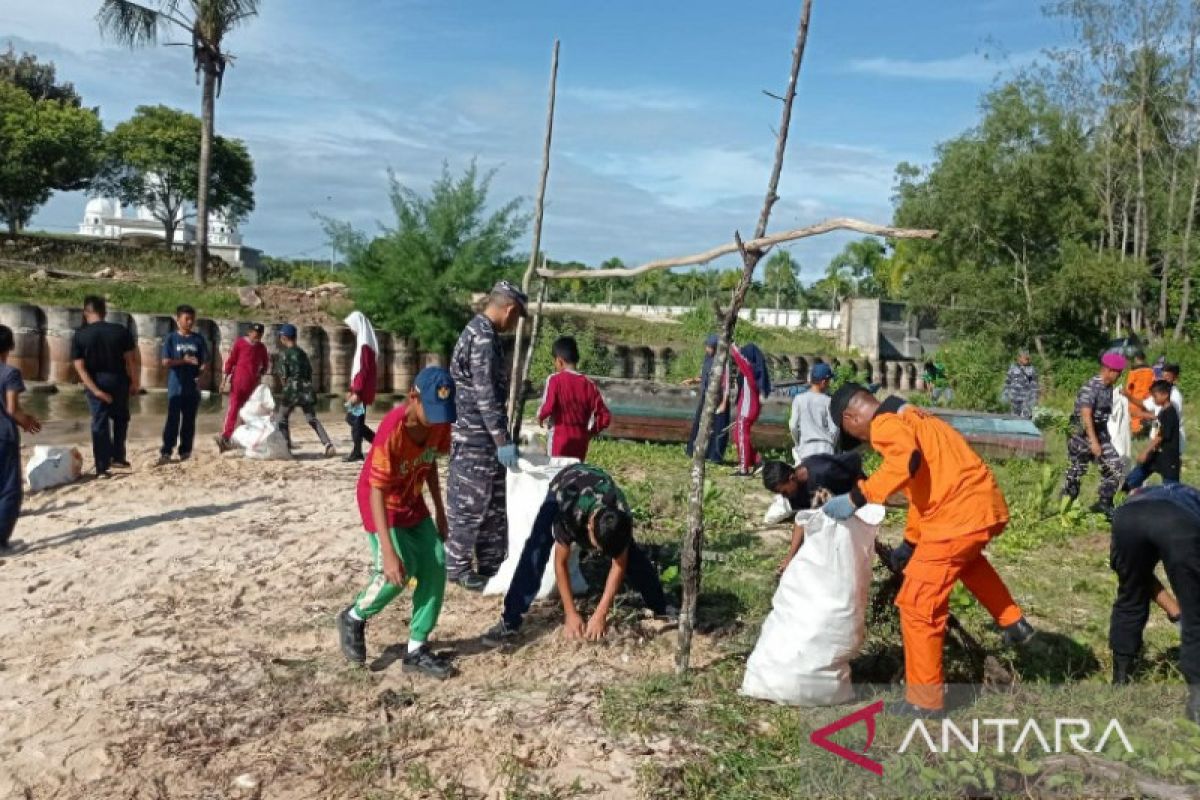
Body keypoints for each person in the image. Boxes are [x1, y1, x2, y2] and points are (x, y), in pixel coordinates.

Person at [822, 382, 1035, 717]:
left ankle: (925, 702)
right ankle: (1014, 623)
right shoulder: (916, 417)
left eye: (856, 434)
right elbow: (922, 487)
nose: (864, 440)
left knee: (918, 606)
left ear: (851, 418)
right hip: (980, 504)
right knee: (967, 562)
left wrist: (856, 496)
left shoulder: (884, 424)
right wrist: (910, 542)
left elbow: (903, 463)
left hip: (957, 517)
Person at [336, 367, 457, 678]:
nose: (437, 419)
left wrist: (441, 514)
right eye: (431, 410)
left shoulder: (440, 424)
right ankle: (353, 616)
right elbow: (376, 488)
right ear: (412, 398)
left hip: (411, 499)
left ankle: (416, 648)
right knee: (397, 572)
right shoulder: (394, 428)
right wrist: (388, 551)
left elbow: (428, 465)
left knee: (435, 563)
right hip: (381, 501)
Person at [480, 463, 675, 647]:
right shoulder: (570, 512)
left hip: (599, 486)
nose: (596, 552)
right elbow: (561, 563)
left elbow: (619, 564)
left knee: (633, 557)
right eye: (595, 546)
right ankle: (509, 622)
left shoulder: (621, 518)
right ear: (590, 525)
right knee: (536, 550)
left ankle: (661, 607)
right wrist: (570, 613)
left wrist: (601, 613)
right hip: (565, 485)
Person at [446, 281, 527, 591]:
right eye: (517, 317)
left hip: (486, 440)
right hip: (474, 440)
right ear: (509, 309)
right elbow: (485, 395)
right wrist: (502, 441)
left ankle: (491, 564)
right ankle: (458, 567)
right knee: (470, 504)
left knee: (493, 506)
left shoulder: (487, 334)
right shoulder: (481, 337)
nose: (515, 324)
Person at [1108, 483, 1200, 724]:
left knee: (1130, 594)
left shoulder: (1136, 499)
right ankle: (1197, 703)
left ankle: (1120, 679)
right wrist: (1183, 612)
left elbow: (1138, 577)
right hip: (1177, 521)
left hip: (1127, 519)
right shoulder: (1191, 505)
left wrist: (1173, 611)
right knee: (1196, 613)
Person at [761, 453, 864, 576]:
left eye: (783, 492)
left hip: (859, 495)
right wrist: (790, 557)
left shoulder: (824, 471)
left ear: (791, 478)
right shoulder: (794, 491)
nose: (784, 496)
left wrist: (859, 502)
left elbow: (855, 461)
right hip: (833, 505)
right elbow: (802, 520)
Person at [71, 295, 139, 477]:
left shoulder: (80, 335)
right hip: (118, 380)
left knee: (99, 424)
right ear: (104, 312)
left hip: (95, 381)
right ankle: (118, 456)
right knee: (120, 418)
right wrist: (135, 382)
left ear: (86, 312)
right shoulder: (120, 331)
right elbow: (131, 360)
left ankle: (102, 468)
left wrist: (96, 391)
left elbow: (80, 367)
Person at [1062, 352, 1129, 518]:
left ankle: (1104, 502)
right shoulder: (1091, 387)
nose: (1119, 376)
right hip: (1081, 435)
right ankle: (1066, 507)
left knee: (1115, 466)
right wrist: (1093, 442)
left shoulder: (1108, 388)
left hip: (1099, 433)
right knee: (1076, 471)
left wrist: (1103, 439)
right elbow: (1086, 415)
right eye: (1118, 372)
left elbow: (1103, 416)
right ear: (1108, 370)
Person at [0, 325, 41, 552]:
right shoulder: (10, 373)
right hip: (3, 437)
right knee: (9, 489)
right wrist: (28, 422)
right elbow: (12, 409)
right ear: (10, 346)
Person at [537, 335, 611, 460]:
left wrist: (540, 416)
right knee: (575, 475)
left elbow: (548, 407)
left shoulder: (555, 380)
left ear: (559, 361)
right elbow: (605, 417)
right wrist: (590, 432)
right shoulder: (589, 384)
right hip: (580, 442)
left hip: (559, 442)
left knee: (556, 474)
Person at [273, 323, 335, 457]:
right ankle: (327, 443)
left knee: (282, 418)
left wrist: (286, 388)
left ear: (284, 337)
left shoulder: (285, 354)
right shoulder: (302, 353)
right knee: (312, 419)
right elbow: (309, 372)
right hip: (306, 388)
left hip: (291, 389)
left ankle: (286, 447)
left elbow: (283, 376)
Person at [158, 305, 208, 465]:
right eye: (186, 319)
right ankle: (166, 451)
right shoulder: (171, 339)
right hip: (176, 386)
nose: (190, 322)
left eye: (192, 319)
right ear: (178, 319)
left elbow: (205, 361)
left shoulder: (198, 339)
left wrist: (200, 373)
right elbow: (165, 362)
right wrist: (183, 361)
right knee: (172, 419)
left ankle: (185, 451)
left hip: (191, 387)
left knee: (189, 421)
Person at [216, 322, 270, 452]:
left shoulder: (261, 348)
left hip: (252, 385)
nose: (257, 337)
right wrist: (224, 381)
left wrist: (260, 374)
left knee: (247, 412)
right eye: (255, 334)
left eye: (259, 335)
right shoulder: (240, 343)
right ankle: (226, 436)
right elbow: (231, 361)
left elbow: (265, 364)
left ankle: (244, 437)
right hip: (238, 383)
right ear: (249, 332)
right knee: (233, 409)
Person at [1124, 380, 1182, 491]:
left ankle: (1172, 504)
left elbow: (1161, 435)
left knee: (1172, 488)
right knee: (1135, 476)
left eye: (1155, 397)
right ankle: (1121, 494)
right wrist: (1145, 415)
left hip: (1168, 457)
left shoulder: (1170, 413)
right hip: (1156, 454)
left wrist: (1145, 451)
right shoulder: (1163, 411)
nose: (1153, 400)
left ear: (1165, 395)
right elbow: (1158, 420)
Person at [684, 335, 730, 464]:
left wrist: (724, 403)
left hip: (719, 397)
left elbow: (726, 384)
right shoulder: (707, 359)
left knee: (718, 427)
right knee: (700, 423)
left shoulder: (723, 361)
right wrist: (692, 380)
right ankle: (694, 450)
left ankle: (715, 456)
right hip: (706, 396)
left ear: (716, 348)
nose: (707, 349)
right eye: (707, 346)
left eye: (709, 347)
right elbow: (704, 376)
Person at [730, 343, 771, 477]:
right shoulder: (751, 371)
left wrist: (732, 346)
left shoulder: (751, 370)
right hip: (747, 408)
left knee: (742, 437)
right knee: (737, 436)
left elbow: (740, 360)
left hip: (747, 410)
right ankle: (757, 461)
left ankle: (744, 468)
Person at [343, 311, 379, 463]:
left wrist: (356, 391)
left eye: (351, 326)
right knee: (353, 419)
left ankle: (358, 451)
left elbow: (363, 370)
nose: (351, 329)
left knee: (355, 420)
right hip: (361, 388)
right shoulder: (364, 342)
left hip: (361, 390)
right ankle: (378, 443)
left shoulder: (364, 345)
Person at [789, 362, 837, 463]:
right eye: (829, 381)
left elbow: (793, 426)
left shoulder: (799, 399)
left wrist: (798, 443)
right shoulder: (828, 401)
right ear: (823, 382)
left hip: (806, 450)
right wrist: (832, 444)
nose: (829, 384)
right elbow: (835, 429)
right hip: (826, 449)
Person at [1125, 351, 1156, 437]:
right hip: (1148, 397)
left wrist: (1127, 396)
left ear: (1136, 358)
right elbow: (1154, 383)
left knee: (1135, 416)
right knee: (1147, 415)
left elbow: (1129, 386)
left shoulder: (1133, 371)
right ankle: (1147, 431)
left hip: (1136, 397)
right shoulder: (1150, 370)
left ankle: (1137, 435)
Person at [1001, 350, 1039, 419]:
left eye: (1028, 358)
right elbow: (1007, 382)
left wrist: (1034, 398)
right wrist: (1005, 394)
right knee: (1014, 417)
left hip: (1026, 398)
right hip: (1014, 397)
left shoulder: (1031, 369)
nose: (1027, 360)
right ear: (1020, 358)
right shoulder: (1013, 368)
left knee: (1026, 417)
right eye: (1025, 358)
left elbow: (1034, 385)